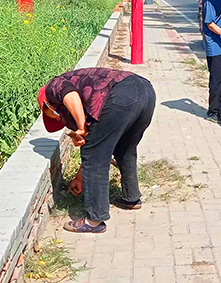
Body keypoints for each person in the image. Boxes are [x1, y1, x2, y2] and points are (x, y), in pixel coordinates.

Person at [38, 67, 156, 234]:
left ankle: (94, 220)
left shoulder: (51, 88)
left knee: (95, 155)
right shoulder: (86, 100)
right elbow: (96, 145)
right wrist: (81, 177)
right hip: (146, 92)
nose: (58, 118)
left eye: (53, 116)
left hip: (121, 95)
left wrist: (80, 127)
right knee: (125, 149)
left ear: (46, 105)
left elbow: (70, 94)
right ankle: (132, 198)